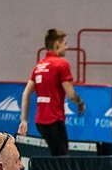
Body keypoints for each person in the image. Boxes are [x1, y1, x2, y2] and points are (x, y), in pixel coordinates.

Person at [19, 28, 85, 156]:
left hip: (40, 122)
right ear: (57, 44)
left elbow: (25, 94)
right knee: (61, 160)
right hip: (53, 120)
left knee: (57, 156)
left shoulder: (39, 66)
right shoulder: (62, 64)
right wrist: (80, 102)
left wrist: (24, 120)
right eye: (65, 43)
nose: (67, 47)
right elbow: (71, 95)